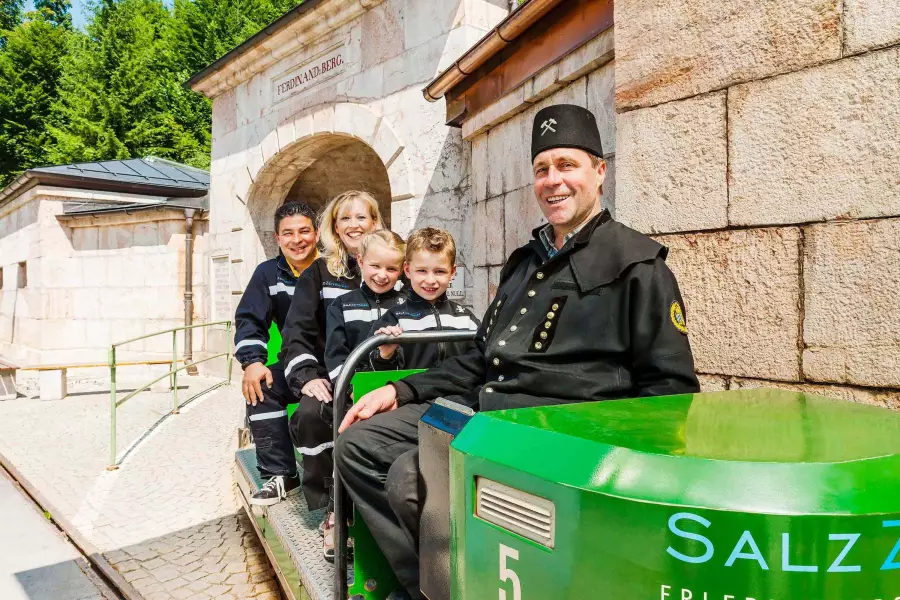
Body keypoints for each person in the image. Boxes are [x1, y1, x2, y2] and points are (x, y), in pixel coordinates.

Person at [335, 104, 701, 599]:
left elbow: (670, 393)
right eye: (542, 169)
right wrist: (401, 389)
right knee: (357, 444)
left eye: (567, 165)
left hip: (562, 438)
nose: (554, 181)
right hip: (489, 414)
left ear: (599, 171)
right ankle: (430, 584)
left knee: (408, 477)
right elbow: (483, 357)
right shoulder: (524, 263)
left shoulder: (639, 266)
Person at [278, 190, 383, 514]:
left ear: (375, 222)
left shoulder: (389, 267)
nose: (354, 225)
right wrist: (306, 377)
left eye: (361, 217)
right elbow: (296, 331)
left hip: (381, 375)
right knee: (310, 415)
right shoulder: (319, 273)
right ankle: (331, 510)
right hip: (330, 375)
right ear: (335, 228)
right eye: (345, 218)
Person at [319, 229, 406, 559]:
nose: (382, 275)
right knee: (349, 439)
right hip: (356, 393)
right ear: (361, 262)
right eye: (375, 266)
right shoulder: (342, 305)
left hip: (397, 393)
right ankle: (335, 516)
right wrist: (355, 388)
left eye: (392, 269)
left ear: (402, 270)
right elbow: (334, 355)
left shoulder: (408, 305)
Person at [234, 202, 318, 507]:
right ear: (278, 238)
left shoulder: (336, 268)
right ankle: (281, 474)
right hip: (296, 363)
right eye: (288, 233)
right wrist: (252, 362)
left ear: (317, 233)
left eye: (304, 231)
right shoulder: (268, 274)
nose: (297, 240)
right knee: (262, 387)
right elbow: (249, 319)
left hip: (338, 362)